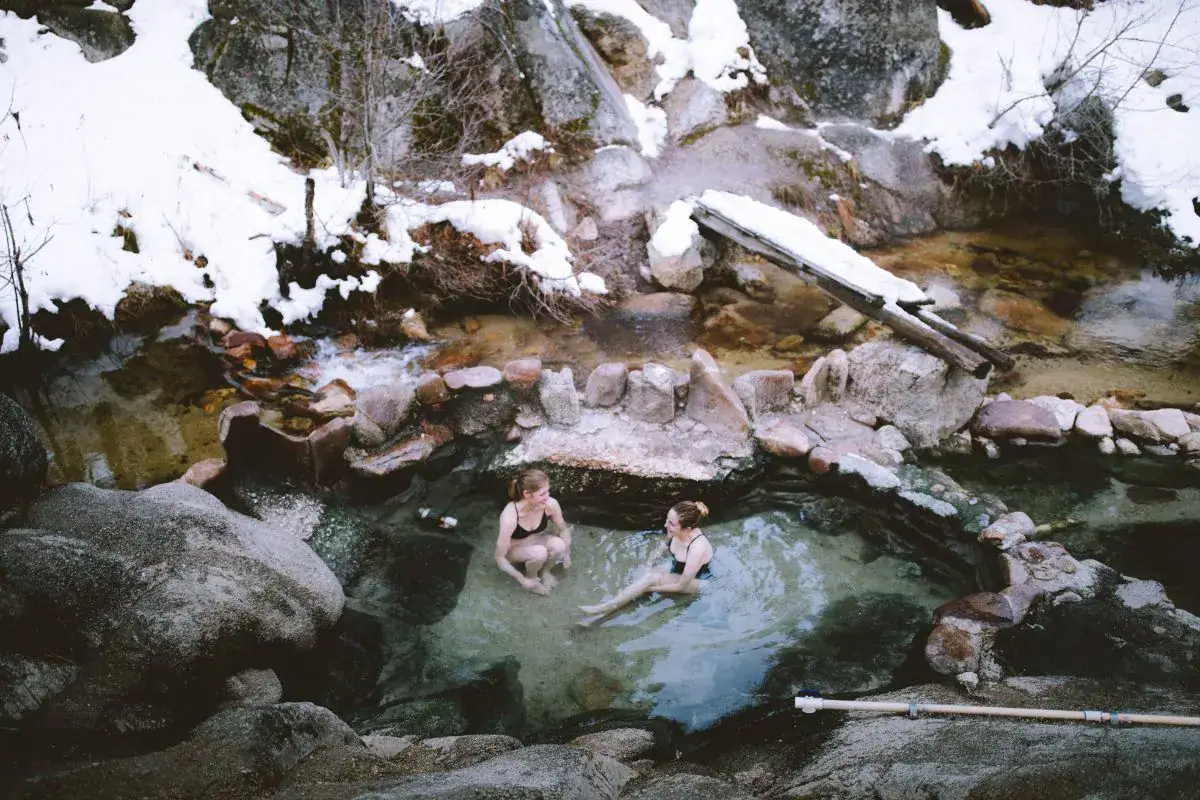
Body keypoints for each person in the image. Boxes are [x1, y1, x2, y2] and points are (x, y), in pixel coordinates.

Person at [578, 500, 713, 618]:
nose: (666, 525)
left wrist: (650, 589)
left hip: (699, 582)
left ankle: (606, 607)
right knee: (644, 575)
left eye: (671, 523)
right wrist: (650, 561)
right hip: (677, 571)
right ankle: (607, 612)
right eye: (667, 519)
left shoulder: (697, 548)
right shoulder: (676, 531)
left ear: (687, 528)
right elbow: (663, 546)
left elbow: (680, 586)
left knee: (649, 579)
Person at [495, 469, 571, 595]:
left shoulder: (550, 505)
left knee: (559, 545)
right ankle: (532, 577)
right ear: (527, 494)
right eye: (542, 494)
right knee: (539, 553)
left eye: (548, 491)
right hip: (514, 549)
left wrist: (567, 552)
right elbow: (499, 558)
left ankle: (545, 571)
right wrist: (522, 579)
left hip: (536, 539)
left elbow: (563, 529)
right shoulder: (510, 516)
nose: (547, 497)